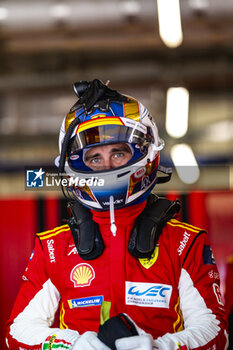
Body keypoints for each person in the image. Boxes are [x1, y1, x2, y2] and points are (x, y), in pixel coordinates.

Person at [6, 79, 228, 350]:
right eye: (94, 158)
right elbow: (17, 332)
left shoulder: (184, 242)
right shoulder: (52, 247)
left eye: (118, 153)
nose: (107, 166)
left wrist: (158, 347)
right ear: (76, 166)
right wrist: (74, 345)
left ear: (145, 152)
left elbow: (215, 331)